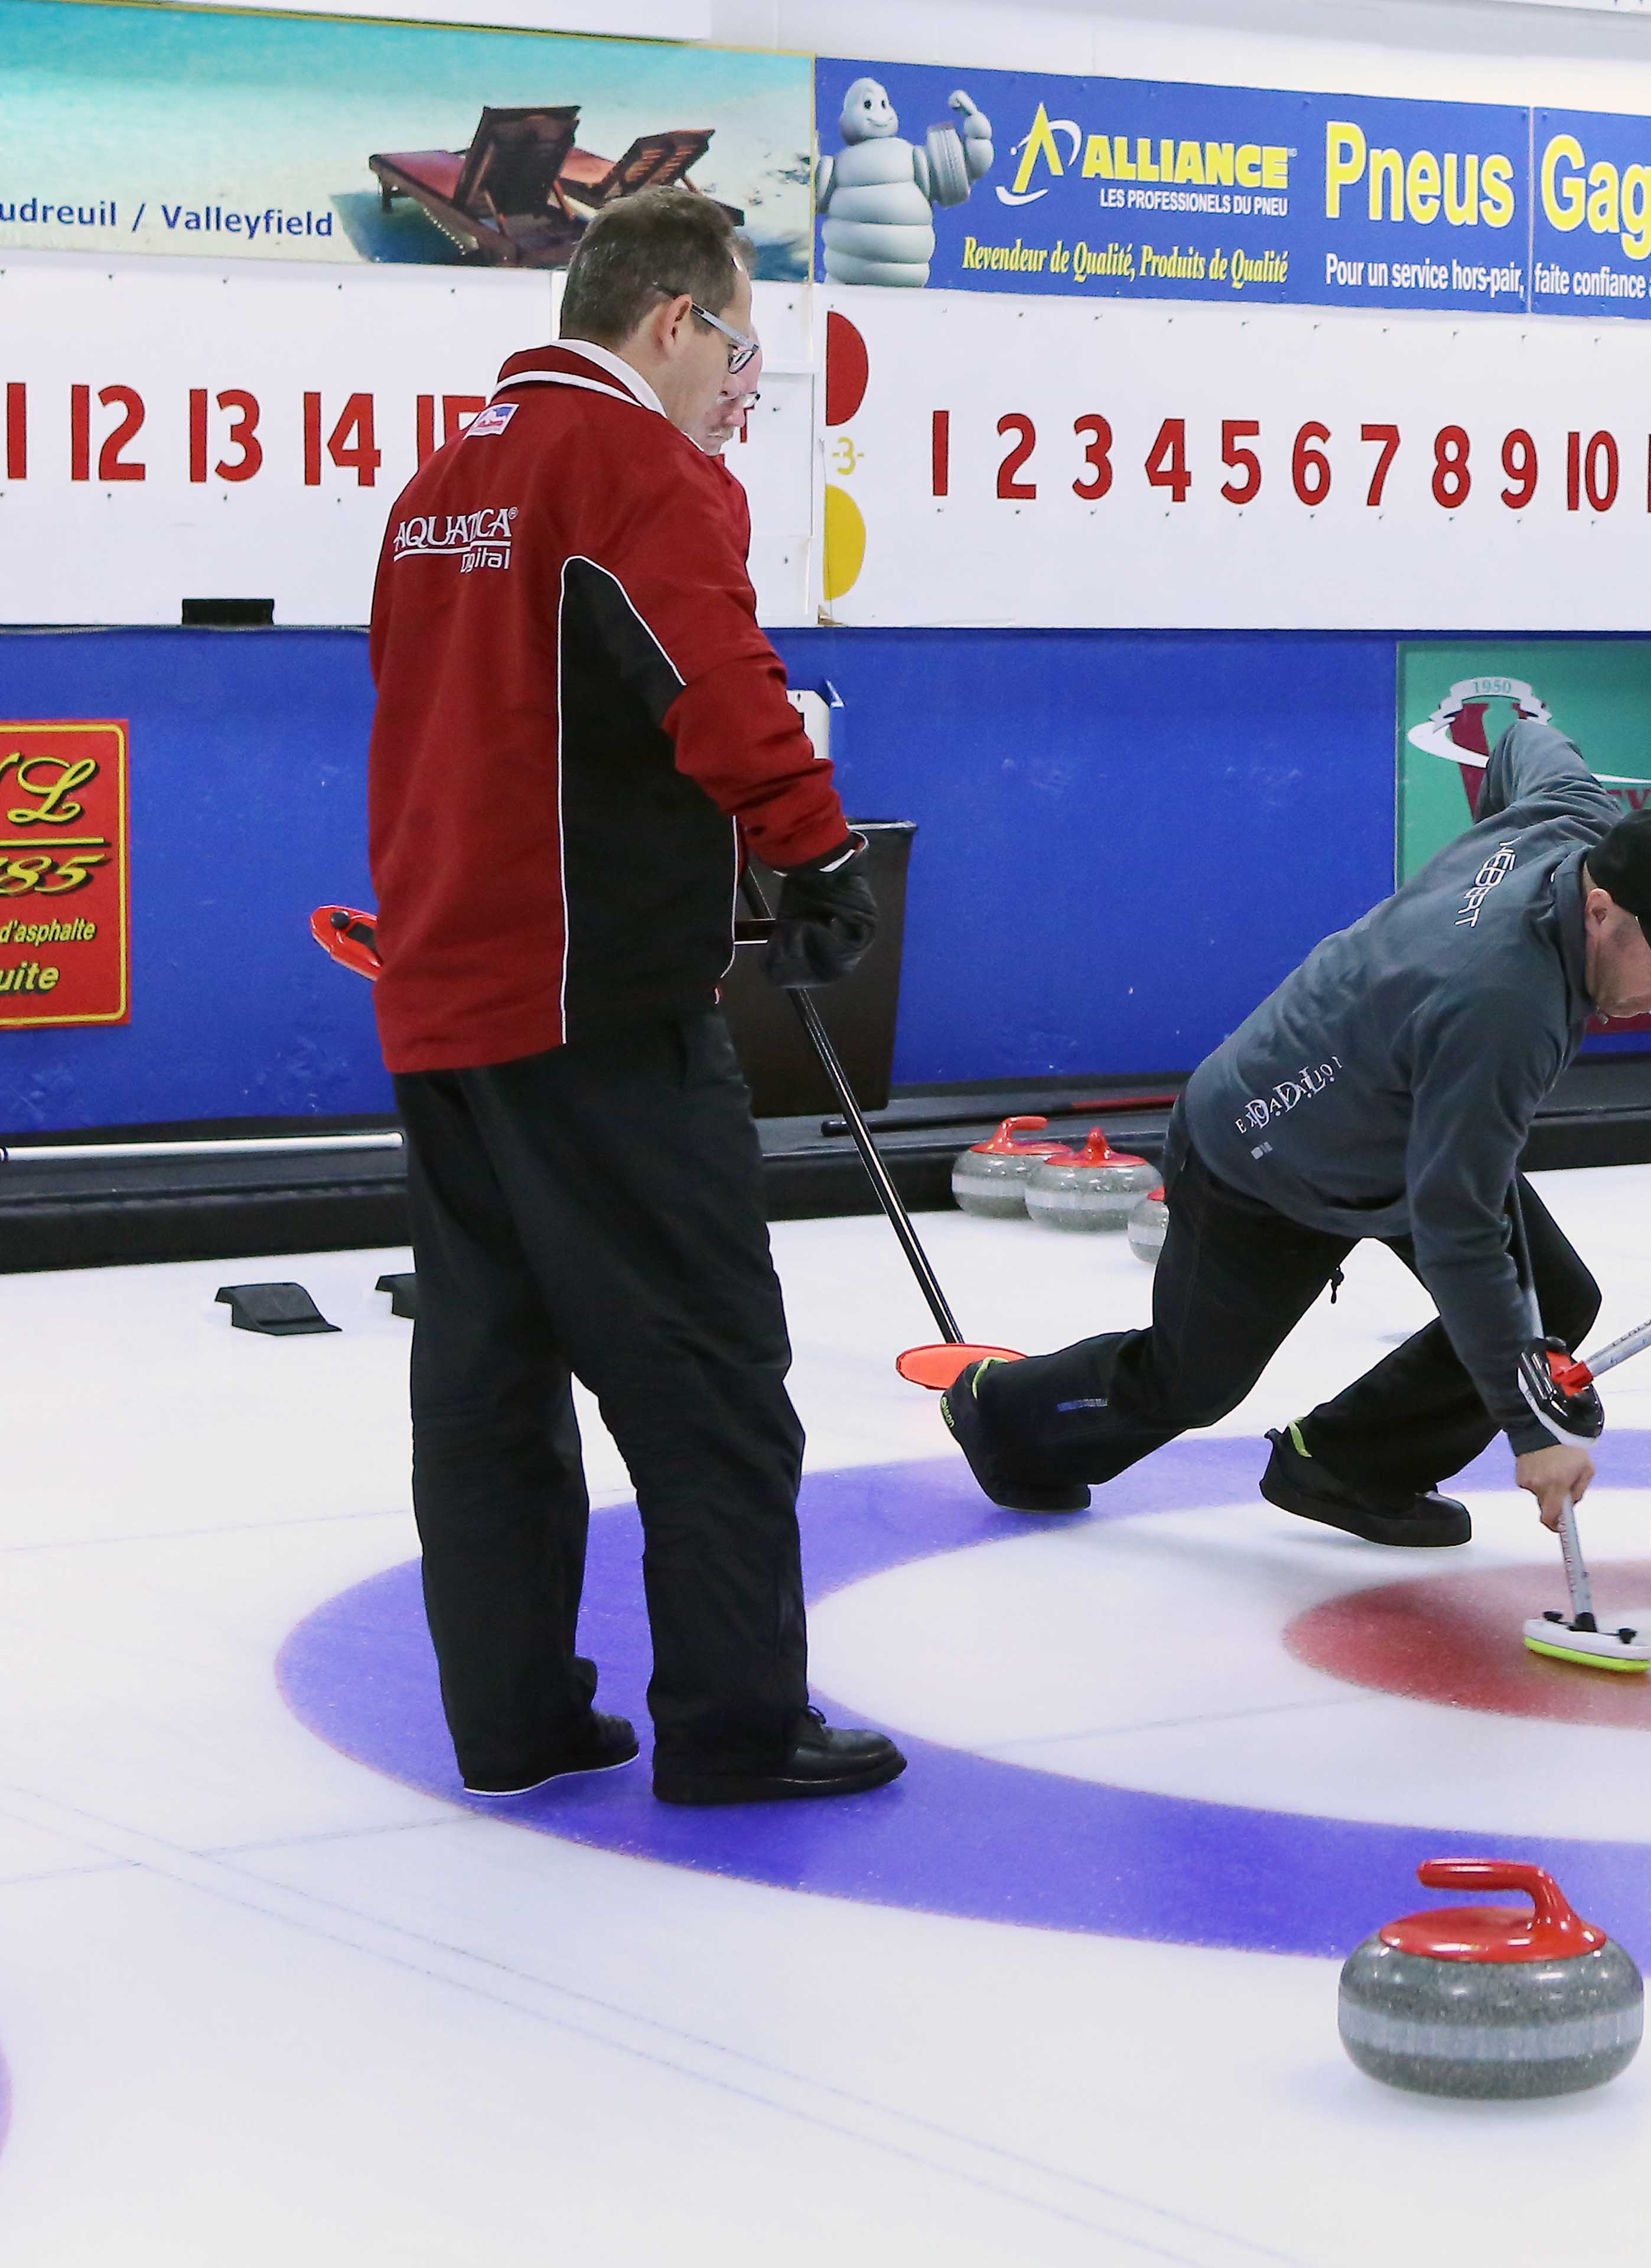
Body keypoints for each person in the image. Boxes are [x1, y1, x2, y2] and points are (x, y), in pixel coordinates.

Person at [366, 189, 904, 1806]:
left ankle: (515, 1719)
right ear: (672, 322)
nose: (746, 383)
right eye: (740, 342)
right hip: (600, 1012)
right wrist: (814, 858)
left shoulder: (436, 491)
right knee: (710, 1372)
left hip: (447, 1005)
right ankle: (738, 1726)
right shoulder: (632, 469)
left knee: (489, 1378)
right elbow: (717, 683)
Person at [940, 712, 1651, 1544]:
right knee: (1192, 1384)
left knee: (1557, 1298)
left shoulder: (1577, 820)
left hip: (1403, 1120)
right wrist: (1532, 1428)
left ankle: (1346, 1464)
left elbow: (1522, 736)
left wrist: (1474, 884)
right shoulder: (1503, 1009)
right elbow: (1458, 1231)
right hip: (1267, 1155)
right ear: (1602, 910)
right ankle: (999, 1411)